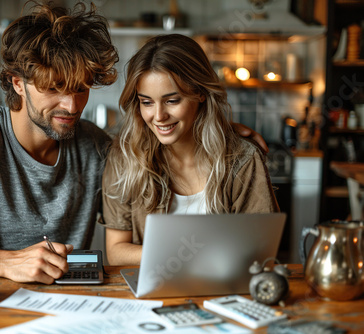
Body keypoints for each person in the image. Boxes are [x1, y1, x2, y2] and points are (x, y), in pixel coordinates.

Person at [0, 3, 266, 283]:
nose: (72, 105)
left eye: (80, 88)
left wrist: (216, 126)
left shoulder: (94, 148)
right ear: (17, 82)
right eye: (55, 88)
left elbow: (156, 146)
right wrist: (6, 263)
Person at [101, 34, 279, 266]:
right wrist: (181, 256)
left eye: (172, 100)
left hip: (223, 294)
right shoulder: (125, 158)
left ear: (200, 93)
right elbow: (116, 253)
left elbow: (262, 251)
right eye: (146, 102)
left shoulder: (242, 159)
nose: (158, 116)